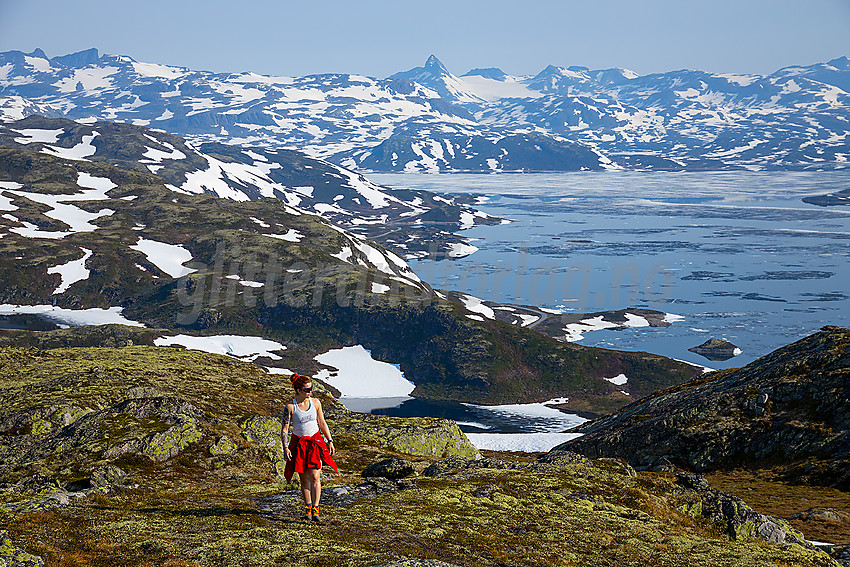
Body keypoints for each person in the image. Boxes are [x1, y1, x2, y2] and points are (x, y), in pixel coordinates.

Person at [281, 373, 338, 522]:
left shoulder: (316, 403)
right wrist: (285, 447)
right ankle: (308, 508)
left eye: (311, 389)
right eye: (307, 389)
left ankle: (316, 509)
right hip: (299, 445)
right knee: (304, 478)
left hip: (315, 443)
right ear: (299, 390)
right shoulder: (290, 407)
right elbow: (285, 429)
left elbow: (322, 422)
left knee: (315, 476)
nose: (310, 392)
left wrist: (329, 440)